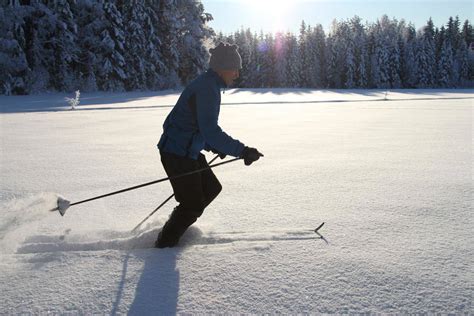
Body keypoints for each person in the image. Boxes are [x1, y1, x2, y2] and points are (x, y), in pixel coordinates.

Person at [155, 42, 264, 248]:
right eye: (235, 69)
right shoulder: (207, 88)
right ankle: (164, 245)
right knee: (192, 203)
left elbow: (196, 126)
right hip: (177, 153)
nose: (237, 74)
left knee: (211, 188)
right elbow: (210, 130)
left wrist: (215, 146)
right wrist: (242, 151)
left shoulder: (209, 84)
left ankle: (177, 225)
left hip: (188, 150)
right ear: (223, 68)